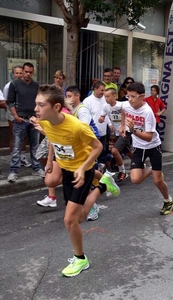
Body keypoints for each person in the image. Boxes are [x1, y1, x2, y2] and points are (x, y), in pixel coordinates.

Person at [34, 84, 120, 277]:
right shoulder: (46, 122)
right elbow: (52, 140)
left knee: (69, 220)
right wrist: (49, 161)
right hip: (66, 170)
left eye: (40, 105)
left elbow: (97, 147)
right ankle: (103, 186)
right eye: (36, 104)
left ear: (56, 107)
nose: (36, 109)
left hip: (84, 170)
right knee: (79, 217)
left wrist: (82, 168)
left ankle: (81, 259)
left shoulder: (77, 126)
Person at [120, 82, 173, 215]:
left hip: (153, 146)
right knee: (135, 179)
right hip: (138, 147)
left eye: (133, 97)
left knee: (157, 180)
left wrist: (132, 131)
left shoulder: (147, 112)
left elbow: (149, 137)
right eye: (128, 96)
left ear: (142, 96)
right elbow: (122, 109)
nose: (130, 100)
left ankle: (168, 200)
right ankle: (150, 170)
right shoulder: (127, 104)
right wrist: (122, 125)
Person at [7, 62, 44, 182]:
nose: (28, 74)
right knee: (17, 146)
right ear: (22, 71)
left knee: (35, 146)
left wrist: (39, 117)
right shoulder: (14, 84)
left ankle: (37, 167)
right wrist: (16, 116)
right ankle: (14, 171)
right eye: (26, 71)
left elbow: (40, 102)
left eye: (30, 72)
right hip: (20, 119)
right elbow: (10, 102)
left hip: (33, 119)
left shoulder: (36, 85)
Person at [100, 87, 132, 182]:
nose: (106, 99)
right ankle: (140, 164)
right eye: (105, 97)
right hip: (117, 133)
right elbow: (102, 117)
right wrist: (101, 119)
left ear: (115, 96)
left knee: (114, 151)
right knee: (127, 151)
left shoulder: (122, 105)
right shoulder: (106, 107)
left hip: (125, 131)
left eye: (108, 96)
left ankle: (122, 171)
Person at [3, 65, 31, 167]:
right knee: (14, 136)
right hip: (12, 113)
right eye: (16, 73)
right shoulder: (8, 86)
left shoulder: (26, 85)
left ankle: (22, 157)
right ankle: (14, 158)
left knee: (23, 136)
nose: (19, 75)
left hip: (24, 114)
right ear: (13, 74)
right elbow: (6, 101)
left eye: (20, 73)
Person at [83, 81, 109, 163]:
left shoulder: (105, 99)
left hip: (104, 130)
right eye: (102, 90)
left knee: (103, 151)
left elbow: (108, 113)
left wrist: (110, 124)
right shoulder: (87, 101)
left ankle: (103, 170)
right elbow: (85, 116)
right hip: (92, 132)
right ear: (95, 89)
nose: (103, 92)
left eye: (104, 90)